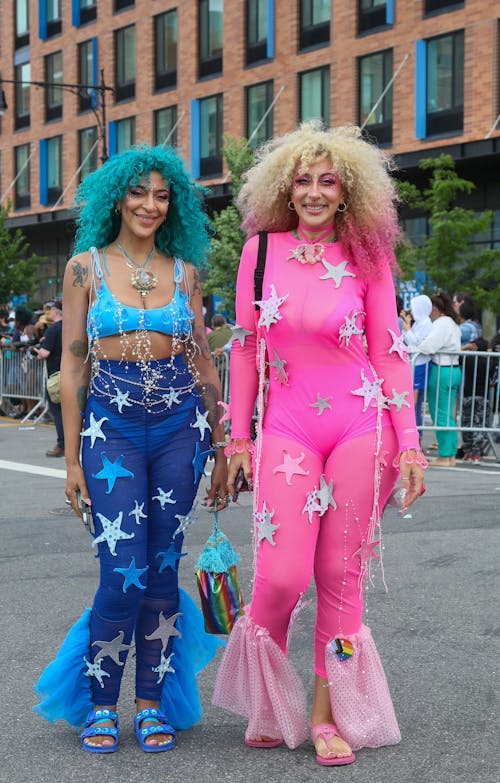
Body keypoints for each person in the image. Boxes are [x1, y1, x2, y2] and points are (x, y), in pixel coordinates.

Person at [212, 122, 426, 767]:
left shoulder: (368, 257)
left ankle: (327, 715)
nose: (312, 191)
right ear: (284, 187)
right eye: (301, 180)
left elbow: (390, 355)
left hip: (365, 428)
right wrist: (239, 437)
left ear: (347, 191)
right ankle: (268, 704)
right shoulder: (260, 250)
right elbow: (248, 348)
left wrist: (410, 444)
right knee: (279, 578)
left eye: (326, 180)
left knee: (340, 577)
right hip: (288, 427)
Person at [33, 144, 228, 753]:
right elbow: (71, 364)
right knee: (123, 573)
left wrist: (223, 444)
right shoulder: (83, 268)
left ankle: (149, 703)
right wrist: (69, 461)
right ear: (118, 196)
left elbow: (203, 362)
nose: (149, 204)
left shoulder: (185, 272)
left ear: (173, 207)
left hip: (180, 432)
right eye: (139, 192)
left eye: (162, 195)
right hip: (109, 433)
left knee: (164, 571)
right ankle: (99, 703)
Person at [408, 292, 461, 467]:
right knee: (448, 415)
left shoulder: (441, 324)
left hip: (442, 370)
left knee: (440, 413)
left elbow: (429, 345)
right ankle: (450, 454)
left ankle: (445, 456)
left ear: (435, 309)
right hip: (453, 370)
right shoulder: (452, 323)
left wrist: (413, 347)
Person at [34, 300, 65, 456]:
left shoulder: (52, 330)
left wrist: (37, 351)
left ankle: (62, 445)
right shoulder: (71, 328)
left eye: (50, 310)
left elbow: (44, 353)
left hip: (55, 377)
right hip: (71, 373)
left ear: (55, 311)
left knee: (58, 411)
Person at [402, 294, 433, 432]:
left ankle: (417, 436)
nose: (412, 311)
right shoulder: (420, 322)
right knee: (414, 402)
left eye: (414, 308)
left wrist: (408, 329)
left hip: (420, 364)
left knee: (414, 403)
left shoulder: (426, 323)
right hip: (415, 364)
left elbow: (416, 343)